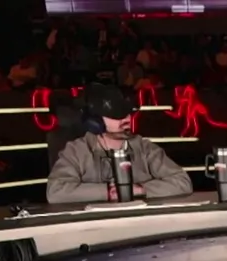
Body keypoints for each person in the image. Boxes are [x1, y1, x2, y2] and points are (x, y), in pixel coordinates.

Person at [46, 84, 192, 204]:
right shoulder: (77, 151)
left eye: (128, 113)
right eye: (117, 115)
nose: (127, 119)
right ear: (95, 121)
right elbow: (56, 191)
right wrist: (108, 192)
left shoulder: (145, 148)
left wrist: (139, 190)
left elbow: (182, 182)